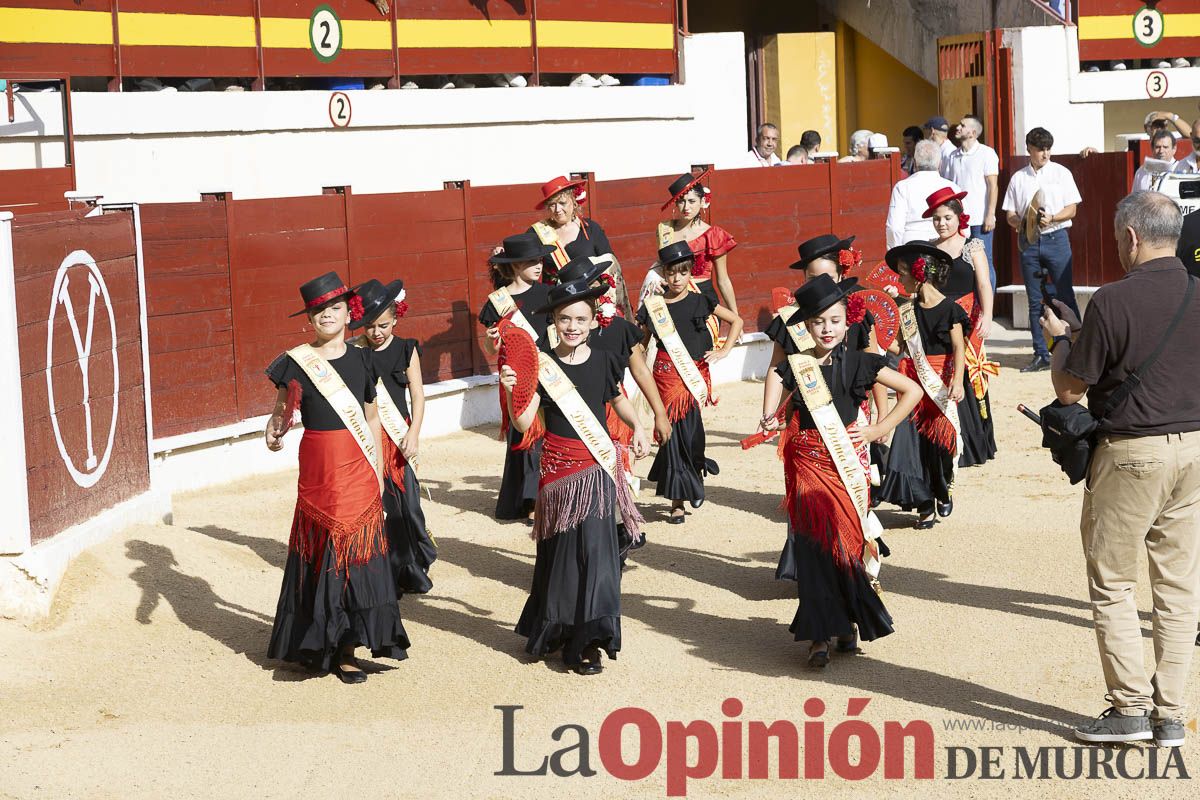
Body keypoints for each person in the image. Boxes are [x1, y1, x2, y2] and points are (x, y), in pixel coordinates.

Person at [1042, 191, 1200, 749]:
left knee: (1113, 582)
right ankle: (1172, 715)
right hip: (1194, 450)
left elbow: (1069, 388)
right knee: (1179, 590)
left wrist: (1062, 342)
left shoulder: (1111, 299)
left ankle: (1130, 709)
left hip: (1133, 451)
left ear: (1131, 237)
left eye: (1115, 238)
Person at [760, 274, 922, 668]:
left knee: (846, 547)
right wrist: (767, 415)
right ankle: (818, 636)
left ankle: (847, 622)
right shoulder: (797, 366)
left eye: (833, 320)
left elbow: (912, 391)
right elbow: (774, 377)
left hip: (847, 467)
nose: (827, 329)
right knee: (814, 549)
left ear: (846, 321)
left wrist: (882, 428)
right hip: (807, 468)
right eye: (818, 322)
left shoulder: (863, 362)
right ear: (808, 327)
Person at [264, 271, 410, 683]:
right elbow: (280, 412)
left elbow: (371, 414)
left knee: (356, 556)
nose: (327, 315)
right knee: (323, 551)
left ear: (350, 312)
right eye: (318, 310)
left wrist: (379, 468)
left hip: (357, 463)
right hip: (318, 467)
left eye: (335, 307)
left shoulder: (364, 358)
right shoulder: (295, 361)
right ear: (309, 318)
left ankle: (346, 647)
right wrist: (272, 433)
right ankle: (315, 645)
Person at [502, 278, 649, 675]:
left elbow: (617, 399)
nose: (572, 326)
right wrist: (511, 390)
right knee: (564, 556)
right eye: (565, 318)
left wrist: (639, 427)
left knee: (598, 557)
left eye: (580, 319)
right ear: (553, 320)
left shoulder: (604, 359)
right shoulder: (540, 364)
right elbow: (523, 421)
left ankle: (589, 640)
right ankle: (560, 632)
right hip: (558, 475)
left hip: (597, 470)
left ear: (592, 321)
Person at [767, 234, 891, 582]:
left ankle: (856, 563)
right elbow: (777, 370)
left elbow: (875, 369)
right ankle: (809, 570)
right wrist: (772, 412)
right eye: (810, 278)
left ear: (841, 275)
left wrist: (883, 421)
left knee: (852, 492)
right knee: (808, 503)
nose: (819, 283)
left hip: (850, 422)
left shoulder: (856, 316)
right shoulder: (793, 320)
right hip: (806, 427)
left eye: (826, 276)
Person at [543, 257, 672, 559]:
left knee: (617, 480)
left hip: (613, 416)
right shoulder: (554, 336)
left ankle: (615, 541)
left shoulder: (619, 329)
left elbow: (640, 372)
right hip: (569, 425)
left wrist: (658, 414)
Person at [638, 242, 743, 523]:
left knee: (692, 435)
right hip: (664, 376)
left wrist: (724, 350)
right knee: (671, 437)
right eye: (671, 273)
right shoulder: (653, 307)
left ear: (690, 273)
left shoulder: (701, 300)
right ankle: (677, 502)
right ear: (664, 274)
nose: (676, 279)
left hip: (692, 377)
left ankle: (695, 469)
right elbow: (641, 343)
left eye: (682, 273)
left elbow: (736, 321)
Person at [352, 278, 436, 596]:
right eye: (371, 326)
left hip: (399, 437)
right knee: (383, 506)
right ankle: (388, 570)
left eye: (383, 325)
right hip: (370, 439)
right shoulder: (355, 353)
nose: (377, 332)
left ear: (396, 318)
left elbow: (417, 395)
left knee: (409, 507)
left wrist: (414, 432)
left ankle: (413, 563)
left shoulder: (406, 348)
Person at [877, 243, 967, 529]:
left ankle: (944, 487)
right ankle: (924, 506)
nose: (899, 280)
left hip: (939, 385)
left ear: (919, 275)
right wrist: (875, 336)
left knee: (939, 449)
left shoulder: (950, 309)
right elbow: (902, 348)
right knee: (910, 448)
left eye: (902, 274)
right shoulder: (907, 310)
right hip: (912, 386)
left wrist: (957, 381)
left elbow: (958, 348)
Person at [480, 232, 555, 523]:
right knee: (526, 435)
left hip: (548, 369)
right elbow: (491, 348)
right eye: (531, 261)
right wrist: (490, 341)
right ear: (513, 266)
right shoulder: (497, 302)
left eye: (539, 259)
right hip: (516, 374)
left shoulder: (549, 292)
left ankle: (541, 493)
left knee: (548, 433)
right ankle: (531, 499)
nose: (539, 265)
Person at [925, 187, 998, 467]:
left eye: (946, 217)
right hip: (939, 320)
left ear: (959, 218)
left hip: (969, 319)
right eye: (936, 219)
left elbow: (983, 283)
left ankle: (976, 444)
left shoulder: (973, 246)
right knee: (944, 372)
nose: (941, 223)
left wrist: (988, 315)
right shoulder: (929, 250)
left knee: (969, 375)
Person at [1002, 126, 1083, 372]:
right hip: (1029, 242)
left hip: (1056, 237)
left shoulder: (1062, 173)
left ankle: (1078, 348)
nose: (1045, 154)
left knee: (1064, 294)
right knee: (1035, 299)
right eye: (1040, 150)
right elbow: (1010, 215)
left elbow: (1073, 209)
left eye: (1048, 149)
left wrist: (1054, 218)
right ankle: (1041, 353)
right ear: (1029, 150)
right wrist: (1024, 223)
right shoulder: (1018, 178)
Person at [646, 170, 740, 316]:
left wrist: (735, 315)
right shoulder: (665, 229)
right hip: (672, 297)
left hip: (702, 299)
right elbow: (662, 267)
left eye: (691, 201)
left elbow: (723, 280)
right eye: (681, 201)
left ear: (702, 202)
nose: (686, 207)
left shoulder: (714, 235)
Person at [942, 115, 1000, 291]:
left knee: (984, 261)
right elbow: (948, 184)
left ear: (973, 133)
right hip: (959, 218)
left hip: (979, 218)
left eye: (962, 125)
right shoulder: (952, 156)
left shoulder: (986, 153)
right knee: (962, 261)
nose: (958, 127)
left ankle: (988, 307)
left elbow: (993, 186)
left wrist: (990, 214)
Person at [527, 176, 616, 289]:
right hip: (555, 300)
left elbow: (610, 264)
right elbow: (520, 259)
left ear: (574, 202)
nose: (557, 209)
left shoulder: (591, 229)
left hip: (590, 297)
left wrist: (600, 284)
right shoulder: (538, 232)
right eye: (552, 205)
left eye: (562, 203)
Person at [885, 140, 962, 248]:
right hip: (945, 246)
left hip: (912, 246)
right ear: (940, 163)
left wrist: (896, 254)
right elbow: (963, 225)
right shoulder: (953, 187)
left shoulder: (902, 187)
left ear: (915, 163)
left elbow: (894, 227)